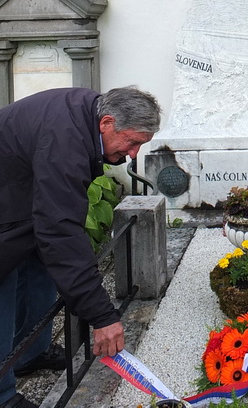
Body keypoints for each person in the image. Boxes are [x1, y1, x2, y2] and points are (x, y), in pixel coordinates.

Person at [0, 86, 161, 408]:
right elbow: (61, 232)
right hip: (6, 201)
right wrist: (102, 317)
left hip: (16, 192)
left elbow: (56, 226)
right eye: (132, 142)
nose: (133, 155)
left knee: (39, 265)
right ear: (107, 123)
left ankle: (30, 354)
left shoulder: (88, 115)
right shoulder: (65, 141)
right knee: (3, 284)